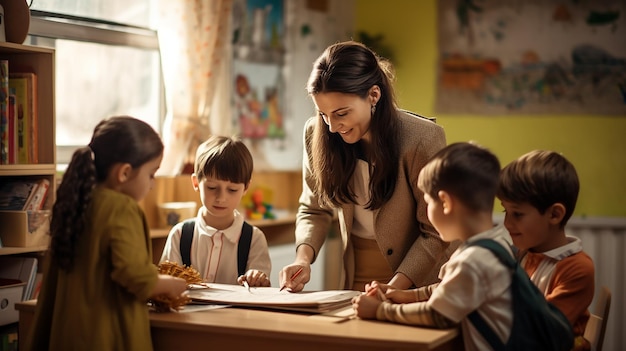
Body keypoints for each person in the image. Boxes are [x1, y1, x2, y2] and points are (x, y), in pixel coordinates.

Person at [279, 41, 456, 293]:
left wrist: (391, 291)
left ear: (373, 95)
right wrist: (302, 260)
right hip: (355, 276)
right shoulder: (315, 134)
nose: (331, 127)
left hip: (420, 281)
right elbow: (313, 210)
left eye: (341, 113)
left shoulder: (423, 139)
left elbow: (435, 231)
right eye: (323, 114)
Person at [24, 116, 188, 351]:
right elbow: (136, 278)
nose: (152, 185)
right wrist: (173, 285)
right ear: (124, 173)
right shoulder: (121, 208)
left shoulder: (77, 201)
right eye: (151, 174)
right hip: (105, 337)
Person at [352, 142, 515, 351]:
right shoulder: (497, 243)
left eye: (428, 202)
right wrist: (405, 295)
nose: (426, 212)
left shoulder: (472, 260)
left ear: (445, 202)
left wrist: (380, 311)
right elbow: (452, 289)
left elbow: (437, 315)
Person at [498, 150, 594, 351]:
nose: (507, 223)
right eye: (505, 211)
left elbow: (542, 331)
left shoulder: (577, 268)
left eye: (517, 214)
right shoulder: (522, 253)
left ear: (554, 214)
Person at [160, 135, 271, 287]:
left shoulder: (254, 239)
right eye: (212, 188)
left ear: (245, 188)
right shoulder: (180, 235)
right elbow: (165, 287)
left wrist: (257, 279)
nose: (221, 198)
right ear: (196, 183)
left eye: (232, 190)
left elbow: (260, 294)